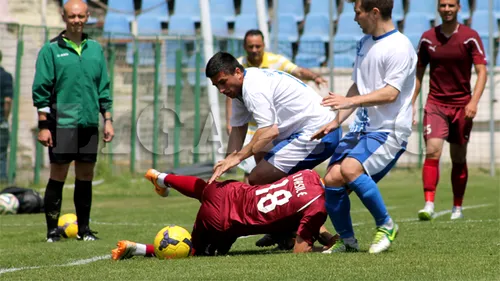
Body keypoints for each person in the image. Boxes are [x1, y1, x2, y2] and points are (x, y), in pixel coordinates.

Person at [311, 0, 417, 254]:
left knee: (349, 169)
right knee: (332, 178)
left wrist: (350, 101)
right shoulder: (364, 43)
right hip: (362, 129)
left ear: (375, 12)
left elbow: (391, 93)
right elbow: (358, 87)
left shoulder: (400, 46)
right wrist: (336, 121)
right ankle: (347, 242)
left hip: (389, 129)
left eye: (358, 12)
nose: (355, 18)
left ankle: (386, 225)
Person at [111, 168, 338, 260]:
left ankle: (162, 176)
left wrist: (329, 237)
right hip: (223, 220)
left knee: (204, 189)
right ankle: (138, 248)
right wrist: (325, 249)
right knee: (192, 251)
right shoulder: (318, 207)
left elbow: (303, 209)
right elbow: (301, 250)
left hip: (230, 190)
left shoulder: (308, 174)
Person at [32, 0, 114, 242]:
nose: (76, 20)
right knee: (58, 174)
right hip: (62, 120)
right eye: (72, 16)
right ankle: (51, 231)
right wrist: (44, 125)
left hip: (89, 122)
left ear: (88, 16)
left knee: (85, 175)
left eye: (80, 16)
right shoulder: (51, 50)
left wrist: (107, 119)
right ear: (63, 17)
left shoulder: (96, 49)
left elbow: (104, 87)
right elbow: (41, 89)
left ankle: (84, 231)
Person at [412, 0, 487, 221]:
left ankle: (457, 207)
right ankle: (428, 203)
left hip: (462, 106)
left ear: (458, 8)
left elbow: (482, 72)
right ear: (438, 8)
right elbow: (418, 73)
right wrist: (411, 103)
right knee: (433, 151)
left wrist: (473, 102)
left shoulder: (470, 36)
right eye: (443, 5)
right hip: (435, 103)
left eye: (451, 5)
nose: (447, 9)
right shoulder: (427, 38)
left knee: (458, 157)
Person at [226, 29, 327, 184]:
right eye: (250, 46)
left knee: (258, 175)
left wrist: (315, 77)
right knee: (253, 173)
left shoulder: (276, 61)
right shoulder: (236, 66)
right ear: (245, 47)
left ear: (264, 45)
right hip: (253, 127)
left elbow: (298, 71)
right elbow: (231, 97)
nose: (254, 50)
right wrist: (229, 122)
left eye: (257, 46)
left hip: (272, 126)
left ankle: (290, 196)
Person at [0, 50, 13, 183]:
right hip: (0, 121)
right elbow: (8, 100)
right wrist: (5, 117)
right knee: (1, 155)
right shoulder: (5, 76)